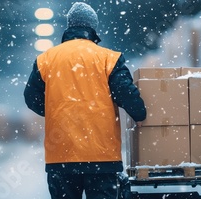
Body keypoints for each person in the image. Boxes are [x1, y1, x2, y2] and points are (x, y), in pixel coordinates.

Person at [24, 2, 146, 199]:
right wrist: (140, 114)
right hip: (102, 158)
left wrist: (56, 110)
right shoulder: (108, 58)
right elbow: (126, 92)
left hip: (60, 158)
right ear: (92, 28)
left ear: (69, 27)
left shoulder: (46, 60)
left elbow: (31, 98)